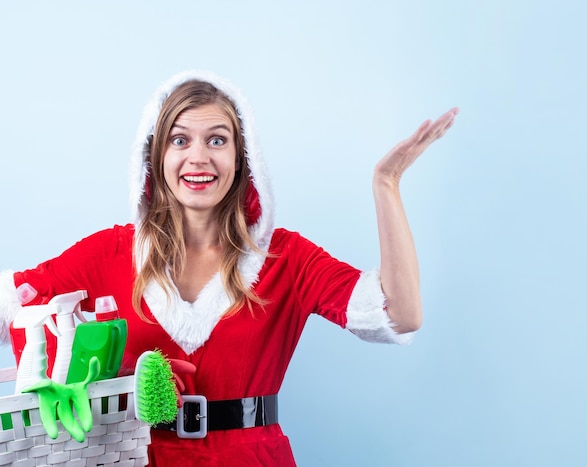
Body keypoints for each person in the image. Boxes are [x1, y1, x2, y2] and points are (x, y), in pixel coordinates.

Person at [0, 71, 458, 465]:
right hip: (140, 457)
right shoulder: (109, 252)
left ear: (243, 158)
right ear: (155, 158)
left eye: (216, 140)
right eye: (180, 140)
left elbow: (400, 313)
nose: (198, 157)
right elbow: (12, 305)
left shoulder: (287, 258)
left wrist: (387, 184)